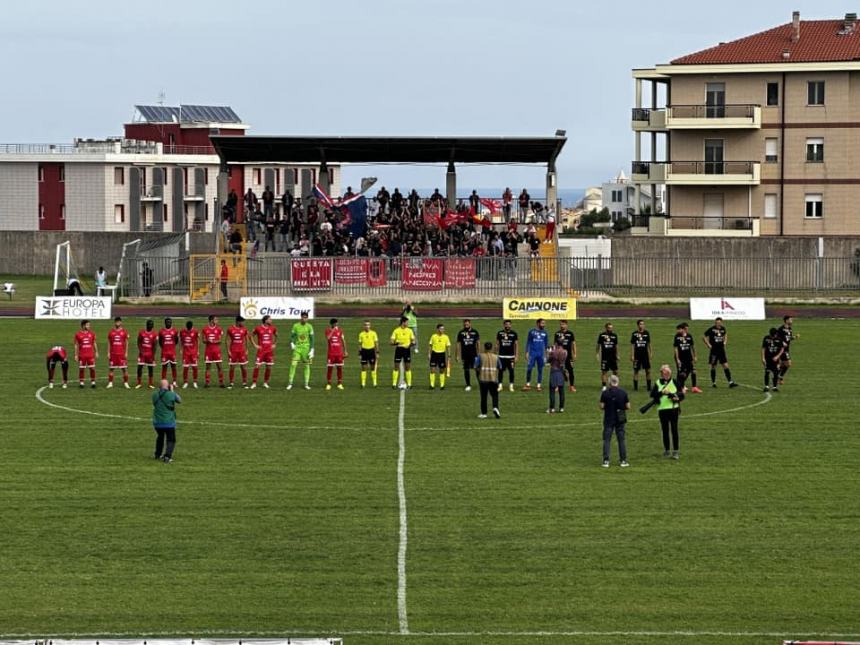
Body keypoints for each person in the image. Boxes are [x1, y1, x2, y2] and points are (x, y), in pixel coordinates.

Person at [650, 364, 684, 459]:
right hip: (662, 410)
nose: (667, 374)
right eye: (665, 373)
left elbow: (681, 395)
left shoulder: (675, 382)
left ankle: (676, 451)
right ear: (661, 373)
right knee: (665, 430)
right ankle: (667, 450)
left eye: (668, 373)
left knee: (674, 430)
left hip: (673, 409)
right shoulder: (658, 383)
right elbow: (652, 395)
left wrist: (673, 395)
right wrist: (661, 393)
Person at [600, 374, 631, 468]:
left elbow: (601, 406)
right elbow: (628, 406)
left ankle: (606, 461)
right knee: (621, 440)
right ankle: (623, 460)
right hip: (620, 417)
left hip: (609, 417)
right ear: (617, 382)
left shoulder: (605, 393)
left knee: (607, 440)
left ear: (610, 382)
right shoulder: (623, 392)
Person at [152, 379, 181, 464]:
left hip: (157, 422)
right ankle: (167, 456)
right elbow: (179, 400)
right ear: (167, 386)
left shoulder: (154, 395)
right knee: (171, 439)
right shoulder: (170, 394)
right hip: (169, 422)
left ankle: (158, 454)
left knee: (160, 437)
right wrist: (172, 390)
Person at [703, 317, 738, 388]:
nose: (718, 324)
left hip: (721, 350)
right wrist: (708, 345)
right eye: (716, 323)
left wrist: (725, 342)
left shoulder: (723, 329)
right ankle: (713, 383)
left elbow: (725, 334)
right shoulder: (711, 329)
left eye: (719, 323)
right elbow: (704, 336)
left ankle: (730, 382)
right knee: (713, 366)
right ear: (715, 323)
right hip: (714, 351)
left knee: (726, 365)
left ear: (721, 322)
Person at [287, 311, 314, 390]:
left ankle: (306, 384)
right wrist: (292, 343)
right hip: (297, 349)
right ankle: (290, 383)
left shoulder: (310, 326)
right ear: (301, 317)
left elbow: (312, 338)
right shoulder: (295, 326)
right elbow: (292, 336)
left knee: (306, 365)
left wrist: (312, 349)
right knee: (293, 364)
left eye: (306, 317)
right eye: (303, 317)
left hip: (306, 349)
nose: (304, 319)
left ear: (307, 318)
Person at [474, 341, 502, 419]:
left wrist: (479, 374)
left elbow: (476, 366)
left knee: (484, 397)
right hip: (493, 379)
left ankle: (484, 413)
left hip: (483, 379)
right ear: (491, 348)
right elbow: (500, 367)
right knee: (495, 395)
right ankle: (495, 407)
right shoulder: (496, 357)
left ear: (484, 348)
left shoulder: (480, 356)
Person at [252, 314, 278, 389]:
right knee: (257, 366)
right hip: (261, 351)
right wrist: (255, 344)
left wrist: (274, 344)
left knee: (269, 367)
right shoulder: (258, 328)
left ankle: (265, 383)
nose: (271, 320)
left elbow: (276, 335)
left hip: (269, 351)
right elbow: (251, 336)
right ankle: (254, 383)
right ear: (266, 320)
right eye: (270, 319)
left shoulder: (273, 328)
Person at [523, 318, 549, 391]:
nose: (544, 325)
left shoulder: (545, 333)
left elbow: (546, 344)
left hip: (541, 354)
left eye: (544, 323)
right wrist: (527, 352)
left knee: (540, 370)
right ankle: (528, 384)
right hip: (532, 354)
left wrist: (547, 355)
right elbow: (528, 342)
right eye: (542, 323)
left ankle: (538, 385)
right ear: (538, 323)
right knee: (529, 369)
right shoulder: (531, 332)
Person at [673, 323, 700, 393]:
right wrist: (677, 359)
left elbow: (692, 347)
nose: (678, 331)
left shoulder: (689, 336)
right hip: (681, 358)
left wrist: (695, 356)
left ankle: (694, 387)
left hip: (689, 358)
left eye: (679, 329)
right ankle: (681, 387)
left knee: (693, 371)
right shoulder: (677, 337)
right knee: (681, 373)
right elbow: (675, 348)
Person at [390, 316, 415, 389]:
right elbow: (391, 342)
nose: (408, 323)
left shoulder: (410, 331)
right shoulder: (396, 331)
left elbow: (413, 342)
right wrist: (396, 343)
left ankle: (409, 384)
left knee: (408, 367)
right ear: (403, 322)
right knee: (396, 367)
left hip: (406, 350)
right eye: (407, 322)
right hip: (399, 350)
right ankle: (394, 384)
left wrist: (409, 345)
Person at [455, 319, 480, 391]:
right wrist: (457, 355)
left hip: (474, 355)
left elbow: (478, 343)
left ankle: (480, 383)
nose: (466, 325)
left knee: (477, 369)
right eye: (465, 324)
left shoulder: (475, 332)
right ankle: (468, 385)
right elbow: (458, 344)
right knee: (466, 370)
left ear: (470, 324)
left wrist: (479, 354)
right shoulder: (461, 333)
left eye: (467, 324)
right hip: (465, 355)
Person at [226, 315, 250, 389]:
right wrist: (228, 351)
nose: (243, 323)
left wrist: (247, 349)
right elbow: (227, 340)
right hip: (233, 351)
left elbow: (247, 340)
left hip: (242, 351)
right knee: (232, 367)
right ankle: (231, 383)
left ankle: (244, 383)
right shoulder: (230, 329)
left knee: (243, 367)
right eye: (242, 321)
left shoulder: (244, 329)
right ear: (238, 321)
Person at [495, 319, 519, 392]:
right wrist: (495, 353)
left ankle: (511, 386)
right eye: (506, 324)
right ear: (504, 325)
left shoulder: (514, 334)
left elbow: (516, 345)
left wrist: (516, 355)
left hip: (511, 357)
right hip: (501, 356)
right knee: (500, 371)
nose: (508, 326)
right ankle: (500, 386)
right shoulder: (500, 333)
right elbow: (497, 344)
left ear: (510, 325)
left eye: (509, 324)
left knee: (511, 371)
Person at [106, 316, 130, 389]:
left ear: (121, 323)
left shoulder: (124, 332)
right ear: (114, 323)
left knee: (124, 369)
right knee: (111, 368)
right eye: (116, 322)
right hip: (113, 353)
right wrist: (108, 352)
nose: (117, 323)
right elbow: (109, 343)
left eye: (119, 322)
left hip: (121, 354)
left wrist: (126, 352)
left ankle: (126, 383)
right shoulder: (111, 332)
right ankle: (110, 383)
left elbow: (127, 342)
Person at [324, 318, 348, 390]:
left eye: (337, 323)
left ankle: (339, 383)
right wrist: (333, 330)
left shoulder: (340, 331)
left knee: (339, 368)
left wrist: (345, 351)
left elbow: (343, 340)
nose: (336, 325)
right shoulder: (327, 330)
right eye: (335, 323)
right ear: (331, 324)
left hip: (339, 353)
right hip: (331, 353)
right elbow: (328, 338)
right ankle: (328, 384)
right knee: (330, 368)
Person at [202, 314, 225, 388]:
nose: (217, 320)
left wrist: (214, 341)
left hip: (216, 350)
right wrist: (207, 340)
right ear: (211, 320)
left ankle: (221, 383)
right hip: (208, 351)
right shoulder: (205, 329)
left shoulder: (219, 329)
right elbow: (203, 340)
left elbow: (220, 340)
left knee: (219, 366)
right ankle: (207, 383)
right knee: (208, 367)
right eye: (216, 319)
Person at [554, 319, 577, 392]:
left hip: (568, 356)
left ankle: (572, 386)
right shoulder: (557, 334)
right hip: (559, 356)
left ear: (566, 325)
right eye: (561, 324)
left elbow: (573, 344)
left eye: (563, 324)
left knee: (570, 371)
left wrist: (575, 354)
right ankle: (557, 386)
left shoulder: (570, 333)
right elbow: (555, 345)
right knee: (558, 371)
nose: (562, 326)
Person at [630, 319, 652, 393]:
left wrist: (651, 353)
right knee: (636, 371)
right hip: (637, 355)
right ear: (638, 325)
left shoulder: (647, 333)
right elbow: (632, 345)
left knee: (648, 371)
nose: (642, 325)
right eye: (640, 324)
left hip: (645, 355)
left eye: (643, 324)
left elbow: (649, 344)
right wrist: (632, 355)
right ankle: (635, 388)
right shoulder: (634, 334)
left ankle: (649, 388)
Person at [762, 327, 786, 392]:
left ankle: (774, 387)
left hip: (775, 360)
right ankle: (766, 386)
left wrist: (777, 356)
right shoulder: (766, 338)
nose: (773, 337)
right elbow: (763, 348)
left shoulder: (779, 339)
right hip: (768, 359)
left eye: (774, 335)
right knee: (767, 372)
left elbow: (782, 349)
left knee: (775, 373)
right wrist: (763, 358)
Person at [428, 323, 451, 390]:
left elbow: (448, 346)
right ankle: (432, 385)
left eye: (443, 329)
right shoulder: (433, 336)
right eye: (441, 329)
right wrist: (429, 354)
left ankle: (442, 385)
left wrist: (449, 355)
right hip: (434, 354)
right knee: (432, 370)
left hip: (442, 354)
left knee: (442, 370)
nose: (443, 330)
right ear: (437, 329)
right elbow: (430, 345)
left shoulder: (446, 337)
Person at [546, 340, 568, 414]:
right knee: (561, 391)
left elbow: (548, 361)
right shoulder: (565, 352)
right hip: (561, 372)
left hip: (554, 372)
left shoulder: (553, 352)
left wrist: (548, 353)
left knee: (552, 391)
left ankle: (552, 408)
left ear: (556, 344)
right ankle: (561, 408)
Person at [135, 319, 158, 389]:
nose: (150, 325)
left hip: (150, 354)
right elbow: (138, 342)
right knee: (139, 368)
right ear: (146, 325)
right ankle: (139, 383)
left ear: (153, 326)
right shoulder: (141, 332)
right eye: (149, 324)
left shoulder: (154, 334)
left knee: (150, 368)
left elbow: (155, 345)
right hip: (142, 354)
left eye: (151, 324)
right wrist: (140, 350)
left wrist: (153, 355)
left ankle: (150, 383)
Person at [596, 322, 619, 389]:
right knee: (604, 372)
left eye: (611, 328)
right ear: (606, 328)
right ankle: (604, 387)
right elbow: (598, 345)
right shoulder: (602, 335)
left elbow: (616, 346)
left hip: (613, 357)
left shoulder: (614, 336)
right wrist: (597, 353)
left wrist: (617, 355)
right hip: (605, 357)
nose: (610, 329)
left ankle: (615, 385)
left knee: (615, 371)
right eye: (609, 328)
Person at [777, 315, 799, 384]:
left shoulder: (790, 329)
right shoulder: (781, 329)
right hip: (782, 349)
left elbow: (788, 338)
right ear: (786, 321)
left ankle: (777, 376)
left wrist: (795, 337)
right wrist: (782, 342)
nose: (791, 321)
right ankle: (780, 376)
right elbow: (776, 338)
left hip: (787, 349)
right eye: (790, 320)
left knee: (783, 364)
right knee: (788, 364)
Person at [358, 320, 380, 388]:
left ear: (370, 326)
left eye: (368, 325)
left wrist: (377, 352)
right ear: (363, 326)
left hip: (371, 351)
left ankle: (375, 383)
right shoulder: (361, 334)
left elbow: (376, 343)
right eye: (365, 325)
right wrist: (359, 353)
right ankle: (363, 383)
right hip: (364, 351)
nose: (367, 326)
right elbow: (360, 344)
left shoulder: (374, 333)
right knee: (363, 368)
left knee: (373, 368)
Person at [158, 317, 179, 385]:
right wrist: (164, 347)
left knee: (174, 367)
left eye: (170, 322)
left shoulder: (175, 331)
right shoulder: (161, 331)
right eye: (167, 322)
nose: (168, 323)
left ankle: (174, 381)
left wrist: (171, 346)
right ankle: (163, 382)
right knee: (164, 367)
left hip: (172, 352)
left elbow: (176, 341)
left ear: (171, 323)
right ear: (165, 323)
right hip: (164, 352)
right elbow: (160, 342)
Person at [180, 320, 199, 389]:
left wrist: (198, 351)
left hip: (193, 352)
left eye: (190, 327)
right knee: (185, 368)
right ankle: (185, 382)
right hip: (185, 353)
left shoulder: (195, 331)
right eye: (188, 327)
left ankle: (195, 382)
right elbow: (181, 340)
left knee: (195, 367)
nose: (189, 328)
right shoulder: (182, 331)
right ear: (186, 326)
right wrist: (181, 349)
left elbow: (197, 341)